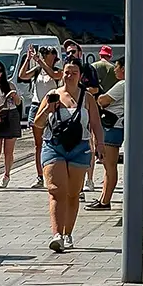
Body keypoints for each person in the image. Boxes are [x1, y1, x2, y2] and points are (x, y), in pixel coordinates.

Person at [33, 58, 104, 252]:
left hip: (80, 148)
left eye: (73, 72)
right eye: (66, 72)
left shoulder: (87, 98)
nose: (69, 76)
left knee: (73, 194)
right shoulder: (52, 95)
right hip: (53, 146)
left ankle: (67, 233)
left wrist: (100, 144)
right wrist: (48, 108)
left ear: (80, 75)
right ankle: (56, 235)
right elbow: (38, 124)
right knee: (56, 191)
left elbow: (96, 123)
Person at [19, 45, 62, 189]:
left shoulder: (57, 70)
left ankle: (53, 171)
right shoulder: (38, 70)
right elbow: (22, 75)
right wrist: (29, 59)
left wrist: (40, 62)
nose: (45, 57)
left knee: (53, 140)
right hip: (37, 105)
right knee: (38, 144)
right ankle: (39, 176)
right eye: (44, 54)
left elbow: (54, 75)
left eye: (48, 54)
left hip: (52, 106)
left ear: (54, 57)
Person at [85, 57, 125, 211]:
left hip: (112, 127)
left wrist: (98, 95)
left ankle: (105, 200)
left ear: (123, 68)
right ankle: (103, 197)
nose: (114, 70)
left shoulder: (122, 85)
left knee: (109, 166)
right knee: (109, 166)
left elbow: (103, 101)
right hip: (117, 126)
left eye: (116, 66)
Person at [63, 40, 99, 194]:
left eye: (73, 51)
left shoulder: (88, 68)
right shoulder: (65, 70)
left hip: (85, 111)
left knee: (89, 145)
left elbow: (96, 88)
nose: (70, 54)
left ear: (80, 53)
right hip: (68, 115)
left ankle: (88, 179)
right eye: (68, 52)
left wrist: (81, 90)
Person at [0, 61, 22, 189]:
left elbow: (18, 103)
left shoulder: (10, 84)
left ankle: (6, 175)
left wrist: (14, 94)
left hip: (10, 116)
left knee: (8, 151)